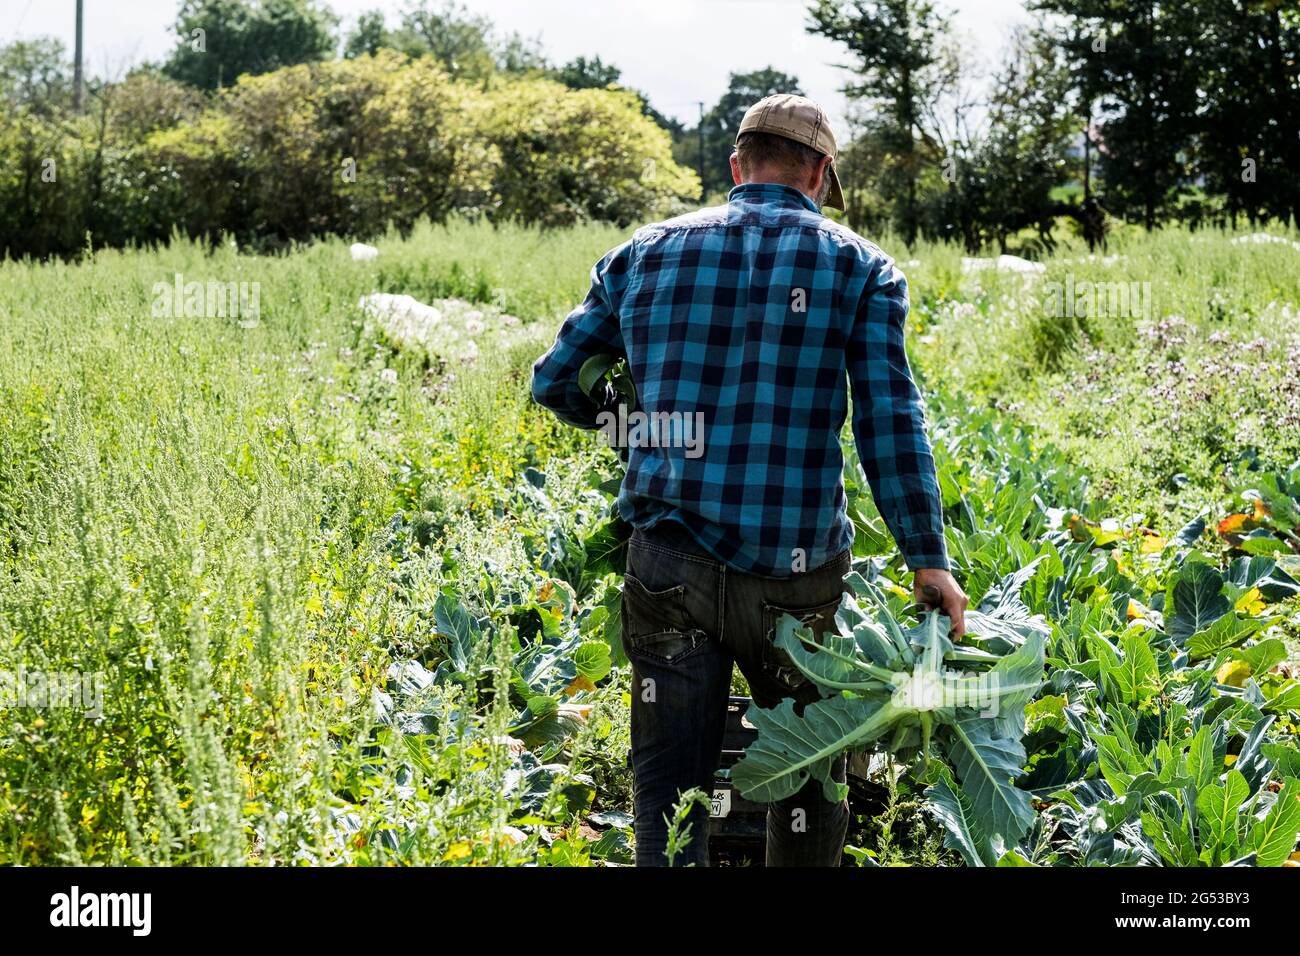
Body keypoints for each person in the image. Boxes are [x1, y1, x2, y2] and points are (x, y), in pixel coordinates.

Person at [530, 94, 967, 866]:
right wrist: (926, 558)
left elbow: (557, 384)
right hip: (794, 579)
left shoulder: (644, 252)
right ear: (822, 174)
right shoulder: (861, 267)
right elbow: (888, 424)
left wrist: (645, 430)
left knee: (669, 789)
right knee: (804, 773)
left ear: (737, 165)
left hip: (668, 564)